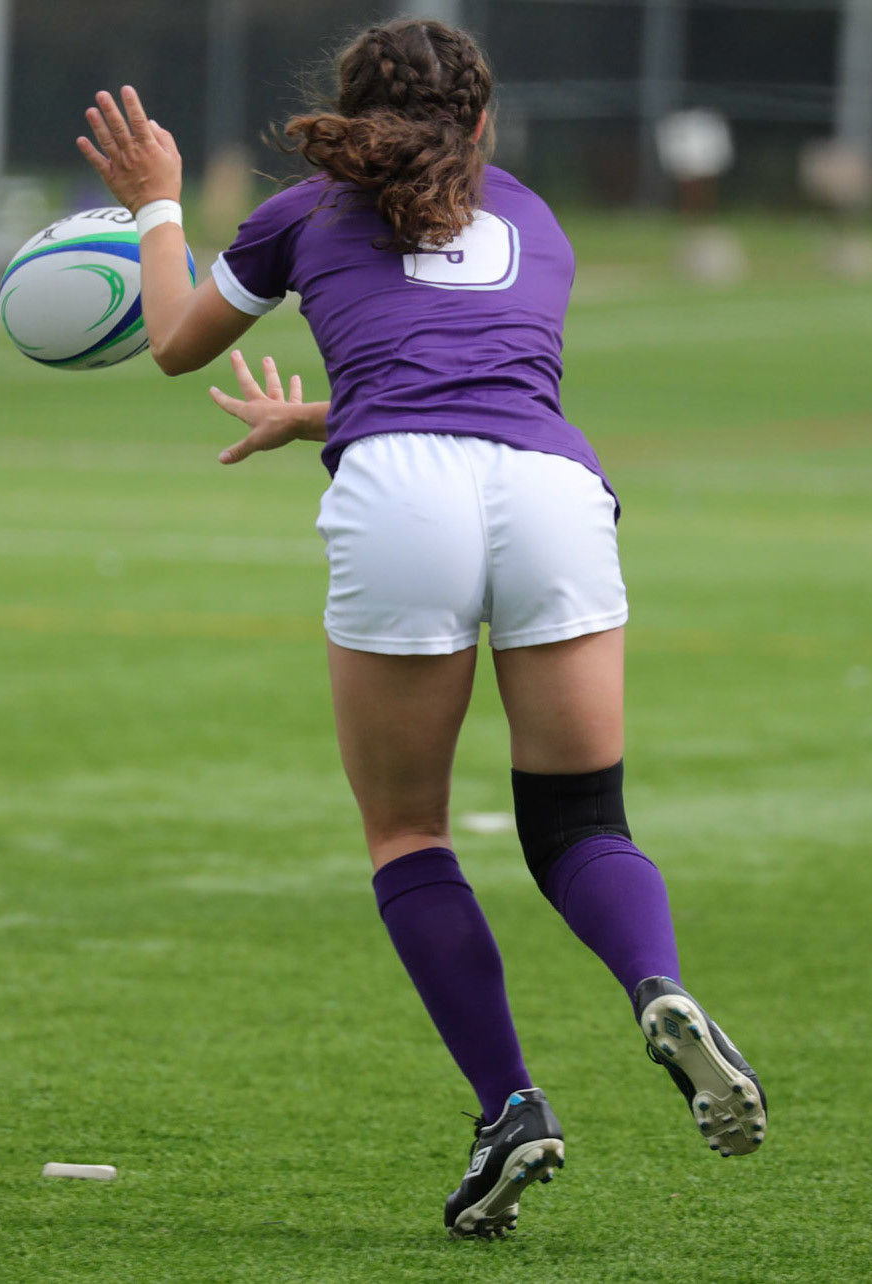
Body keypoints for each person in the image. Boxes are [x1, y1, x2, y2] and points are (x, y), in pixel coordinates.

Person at [77, 17, 766, 1239]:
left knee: (406, 829)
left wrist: (156, 204)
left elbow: (179, 344)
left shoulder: (302, 213)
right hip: (550, 487)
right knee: (580, 819)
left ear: (351, 111)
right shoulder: (534, 218)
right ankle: (657, 986)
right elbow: (465, 372)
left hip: (400, 489)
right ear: (484, 123)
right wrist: (328, 422)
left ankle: (511, 1104)